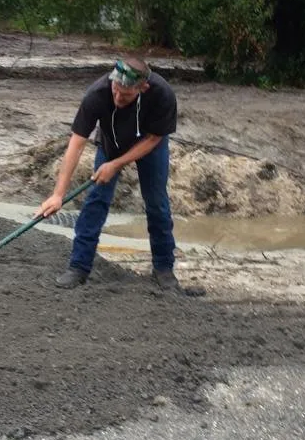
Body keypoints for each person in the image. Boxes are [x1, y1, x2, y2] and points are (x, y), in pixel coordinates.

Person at [38, 56, 204, 295]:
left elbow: (155, 138)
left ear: (142, 88)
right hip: (110, 144)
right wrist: (58, 194)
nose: (117, 98)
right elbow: (76, 143)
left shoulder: (162, 95)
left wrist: (117, 165)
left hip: (149, 145)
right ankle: (79, 267)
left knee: (157, 203)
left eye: (125, 95)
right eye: (115, 90)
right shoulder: (97, 93)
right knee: (96, 200)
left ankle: (164, 270)